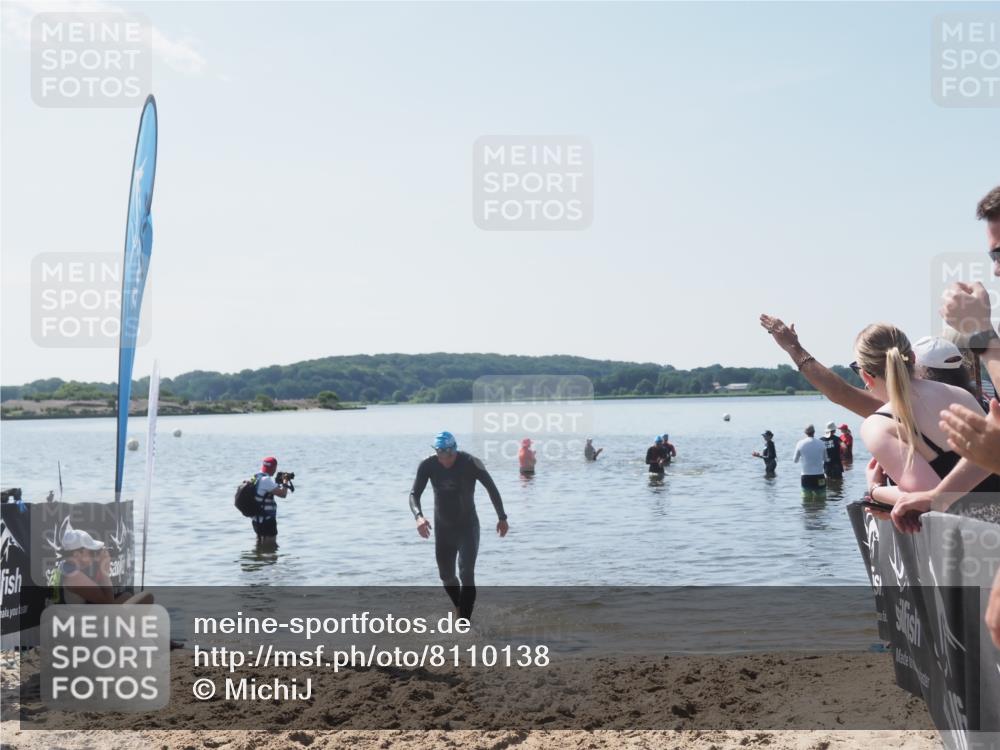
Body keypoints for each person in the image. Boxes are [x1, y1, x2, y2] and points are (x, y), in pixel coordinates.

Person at [841, 324, 1000, 531]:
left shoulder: (878, 425)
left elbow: (933, 499)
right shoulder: (961, 395)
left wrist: (875, 490)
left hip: (970, 537)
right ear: (913, 358)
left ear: (865, 375)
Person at [409, 431, 509, 622]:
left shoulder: (471, 462)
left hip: (467, 527)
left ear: (454, 451)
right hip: (443, 529)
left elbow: (491, 488)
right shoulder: (427, 465)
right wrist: (419, 517)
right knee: (446, 576)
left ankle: (464, 623)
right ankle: (458, 606)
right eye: (441, 456)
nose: (445, 461)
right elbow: (414, 494)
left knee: (466, 573)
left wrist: (502, 517)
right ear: (437, 453)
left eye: (449, 456)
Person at [50, 529, 151, 605]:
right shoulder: (74, 576)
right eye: (90, 551)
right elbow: (108, 603)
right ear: (77, 555)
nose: (93, 555)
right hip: (78, 626)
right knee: (147, 597)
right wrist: (104, 571)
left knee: (126, 596)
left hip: (76, 616)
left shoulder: (65, 566)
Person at [253, 456, 290, 548]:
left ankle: (259, 561)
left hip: (256, 519)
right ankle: (269, 562)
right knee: (271, 547)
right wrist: (285, 481)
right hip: (267, 520)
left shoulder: (256, 477)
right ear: (274, 468)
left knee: (259, 543)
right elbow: (283, 494)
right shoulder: (266, 480)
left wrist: (277, 483)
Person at [792, 424, 826, 496]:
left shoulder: (800, 443)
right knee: (821, 498)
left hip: (806, 476)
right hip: (819, 475)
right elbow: (826, 459)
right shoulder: (821, 443)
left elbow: (795, 460)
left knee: (806, 498)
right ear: (814, 432)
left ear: (805, 433)